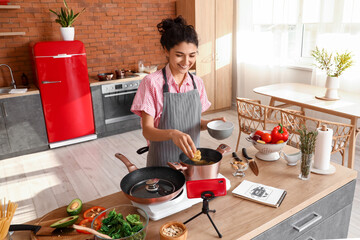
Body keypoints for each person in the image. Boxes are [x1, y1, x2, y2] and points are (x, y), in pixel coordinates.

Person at [131, 16, 225, 167]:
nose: (186, 62)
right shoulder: (152, 83)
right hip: (162, 162)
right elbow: (147, 131)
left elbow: (193, 122)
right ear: (166, 51)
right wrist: (172, 134)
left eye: (192, 55)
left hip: (191, 162)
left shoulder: (197, 83)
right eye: (179, 55)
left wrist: (209, 125)